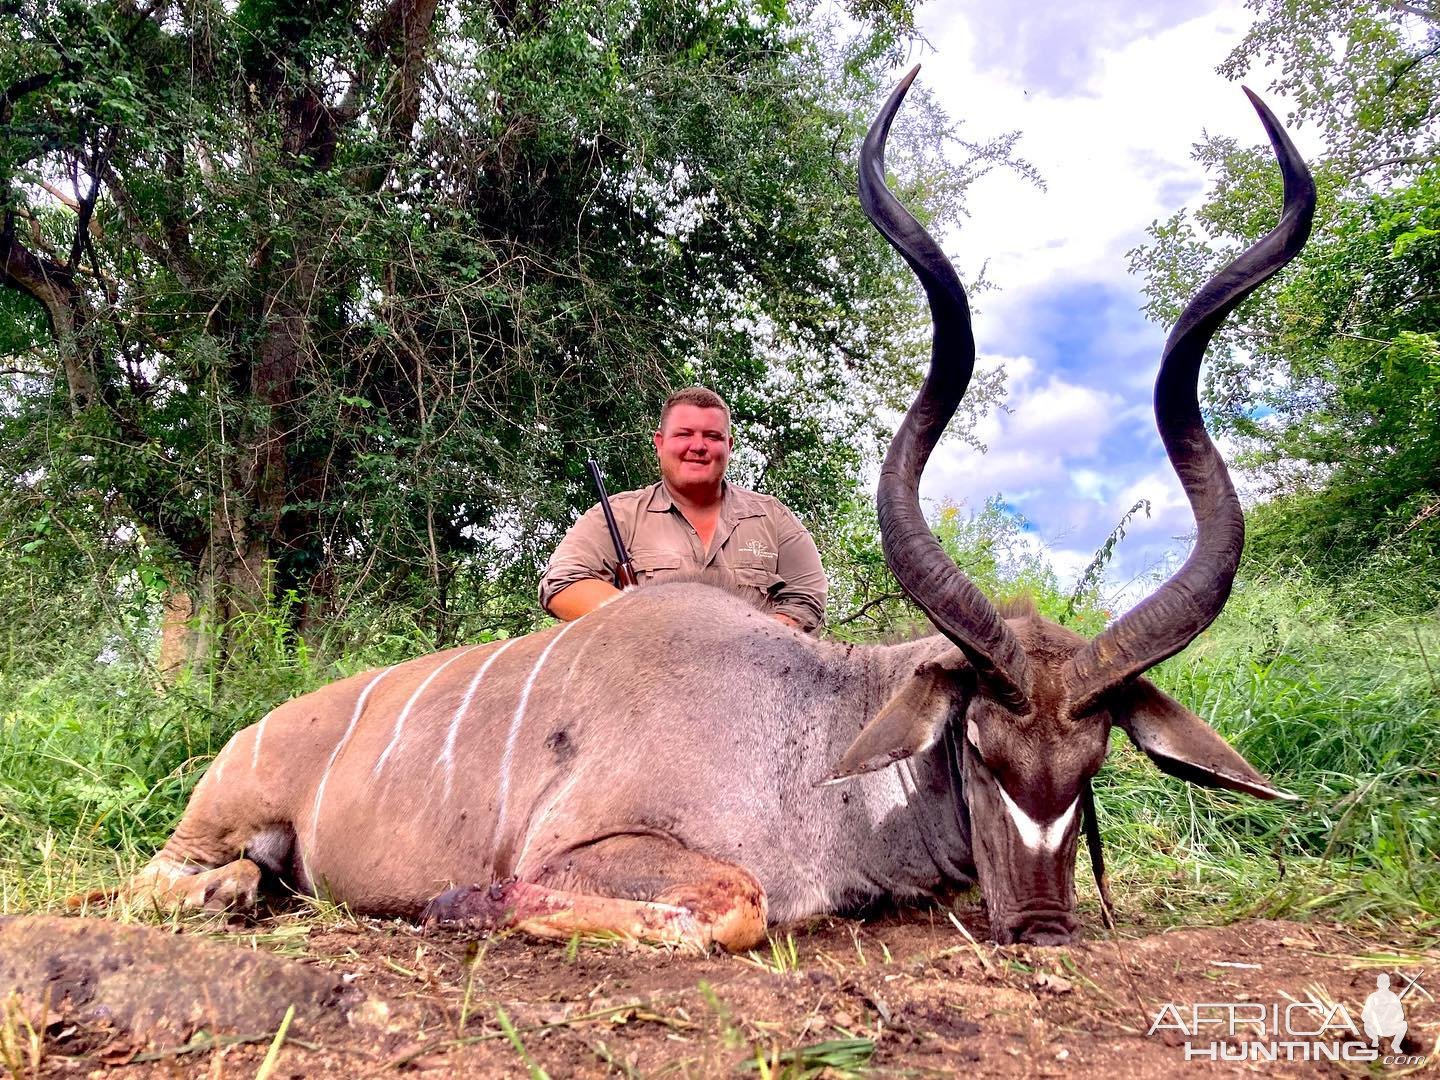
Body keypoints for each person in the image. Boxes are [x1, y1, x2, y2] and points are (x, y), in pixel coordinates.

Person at [539, 386, 827, 633]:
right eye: (684, 434)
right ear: (660, 443)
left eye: (712, 436)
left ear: (729, 446)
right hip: (643, 681)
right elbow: (563, 584)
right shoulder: (617, 514)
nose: (698, 446)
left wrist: (753, 640)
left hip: (752, 680)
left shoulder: (773, 517)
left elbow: (806, 599)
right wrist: (647, 619)